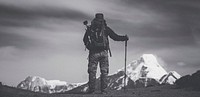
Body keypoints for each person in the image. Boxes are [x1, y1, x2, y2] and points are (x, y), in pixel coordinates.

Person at [83, 13, 129, 94]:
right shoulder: (105, 29)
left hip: (93, 53)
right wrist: (124, 38)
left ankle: (91, 90)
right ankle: (104, 91)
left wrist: (90, 47)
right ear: (103, 19)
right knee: (104, 72)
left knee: (92, 72)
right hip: (104, 53)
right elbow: (115, 37)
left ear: (95, 19)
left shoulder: (90, 28)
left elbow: (85, 39)